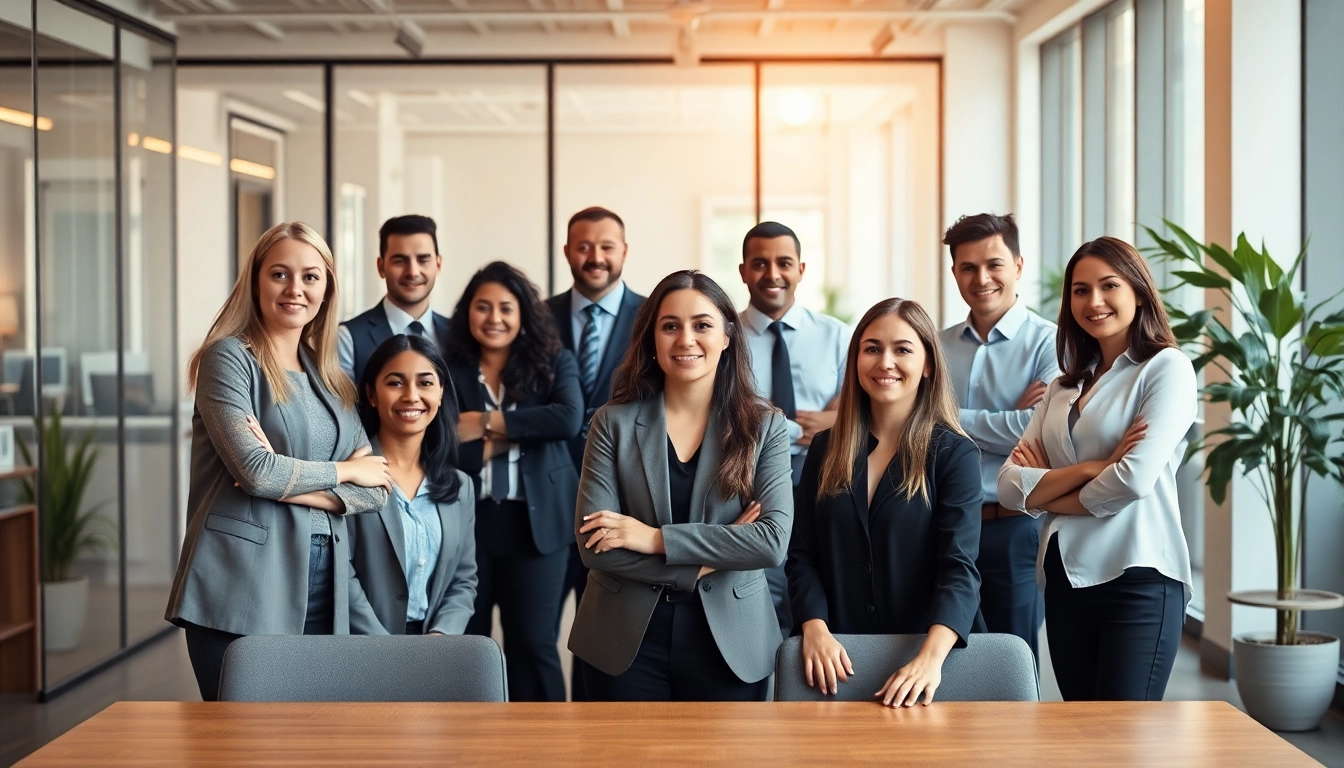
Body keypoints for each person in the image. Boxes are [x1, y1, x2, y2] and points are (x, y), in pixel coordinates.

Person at [166, 222, 393, 702]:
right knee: (242, 742)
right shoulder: (228, 360)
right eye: (280, 274)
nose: (296, 289)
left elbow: (377, 489)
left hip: (323, 579)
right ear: (256, 281)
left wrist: (279, 480)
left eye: (311, 277)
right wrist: (345, 470)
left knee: (311, 739)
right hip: (241, 580)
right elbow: (259, 471)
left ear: (327, 288)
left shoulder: (331, 378)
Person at [568, 270, 793, 702]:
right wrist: (717, 555)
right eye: (670, 326)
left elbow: (770, 543)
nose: (685, 339)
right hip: (622, 640)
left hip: (731, 639)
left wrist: (653, 539)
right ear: (652, 338)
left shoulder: (766, 426)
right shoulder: (611, 423)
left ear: (728, 336)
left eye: (702, 325)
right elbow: (596, 547)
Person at [997, 236, 1195, 702]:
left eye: (1109, 286)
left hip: (1139, 575)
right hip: (1066, 578)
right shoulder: (1063, 386)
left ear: (1139, 292)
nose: (1094, 301)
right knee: (1081, 736)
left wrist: (1046, 492)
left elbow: (1133, 480)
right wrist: (1097, 465)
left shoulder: (1166, 369)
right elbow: (1007, 486)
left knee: (1124, 741)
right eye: (1080, 290)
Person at [786, 298, 983, 707]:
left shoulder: (954, 454)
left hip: (931, 661)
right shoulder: (825, 448)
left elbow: (959, 569)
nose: (885, 362)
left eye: (903, 349)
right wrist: (815, 629)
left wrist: (928, 660)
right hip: (837, 661)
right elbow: (803, 556)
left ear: (928, 364)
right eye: (872, 348)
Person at [444, 261, 582, 703]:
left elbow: (567, 419)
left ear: (523, 312)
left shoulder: (554, 360)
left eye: (506, 307)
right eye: (482, 307)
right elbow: (441, 443)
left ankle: (544, 749)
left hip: (536, 525)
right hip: (468, 525)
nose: (494, 318)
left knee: (533, 644)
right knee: (468, 644)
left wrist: (486, 423)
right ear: (468, 312)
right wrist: (524, 432)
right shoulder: (448, 367)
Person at [938, 213, 1058, 662]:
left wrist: (943, 414)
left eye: (994, 264)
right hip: (944, 526)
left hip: (1013, 526)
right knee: (949, 658)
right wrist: (1012, 419)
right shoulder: (935, 345)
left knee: (1013, 659)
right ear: (954, 273)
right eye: (967, 267)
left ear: (1019, 266)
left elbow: (1037, 432)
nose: (981, 278)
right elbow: (917, 429)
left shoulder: (1052, 343)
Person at [545, 206, 646, 700]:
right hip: (544, 505)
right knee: (543, 639)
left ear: (624, 252)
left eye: (606, 247)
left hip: (624, 507)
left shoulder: (655, 321)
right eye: (584, 247)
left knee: (612, 638)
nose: (595, 257)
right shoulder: (537, 319)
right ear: (567, 252)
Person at [737, 221, 849, 639]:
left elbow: (863, 405)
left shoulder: (837, 336)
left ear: (801, 269)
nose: (772, 274)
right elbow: (723, 413)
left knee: (817, 584)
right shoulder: (724, 337)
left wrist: (837, 419)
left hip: (825, 478)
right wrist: (792, 426)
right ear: (743, 270)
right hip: (748, 481)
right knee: (761, 592)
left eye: (784, 262)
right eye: (760, 263)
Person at [345, 334, 478, 636]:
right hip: (364, 648)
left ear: (442, 392)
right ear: (372, 394)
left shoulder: (460, 486)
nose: (411, 396)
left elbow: (464, 579)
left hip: (435, 650)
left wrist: (441, 635)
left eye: (425, 383)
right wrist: (385, 645)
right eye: (395, 383)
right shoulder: (351, 472)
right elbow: (341, 571)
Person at [339, 215, 450, 384]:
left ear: (438, 264)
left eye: (423, 260)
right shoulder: (348, 339)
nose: (413, 271)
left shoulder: (457, 334)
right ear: (381, 267)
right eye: (400, 261)